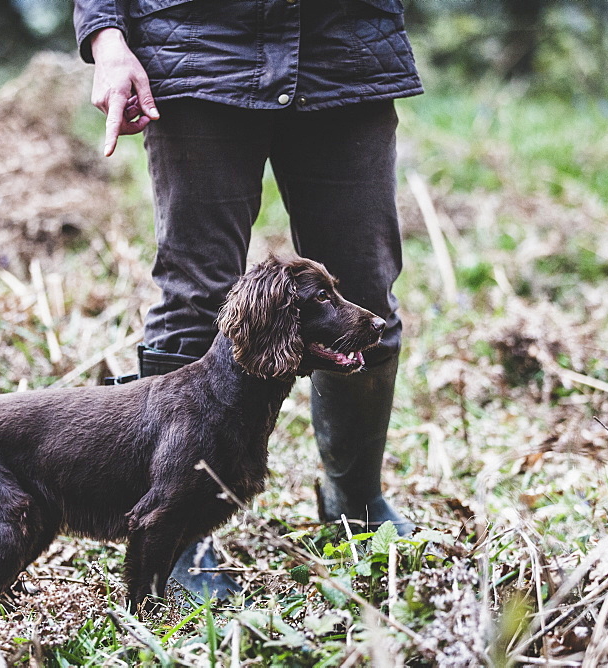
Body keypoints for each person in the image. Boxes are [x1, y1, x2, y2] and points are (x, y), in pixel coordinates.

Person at [74, 0, 422, 600]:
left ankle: (355, 498)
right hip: (197, 54)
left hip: (344, 55)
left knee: (363, 300)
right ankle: (178, 533)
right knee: (196, 300)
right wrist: (107, 42)